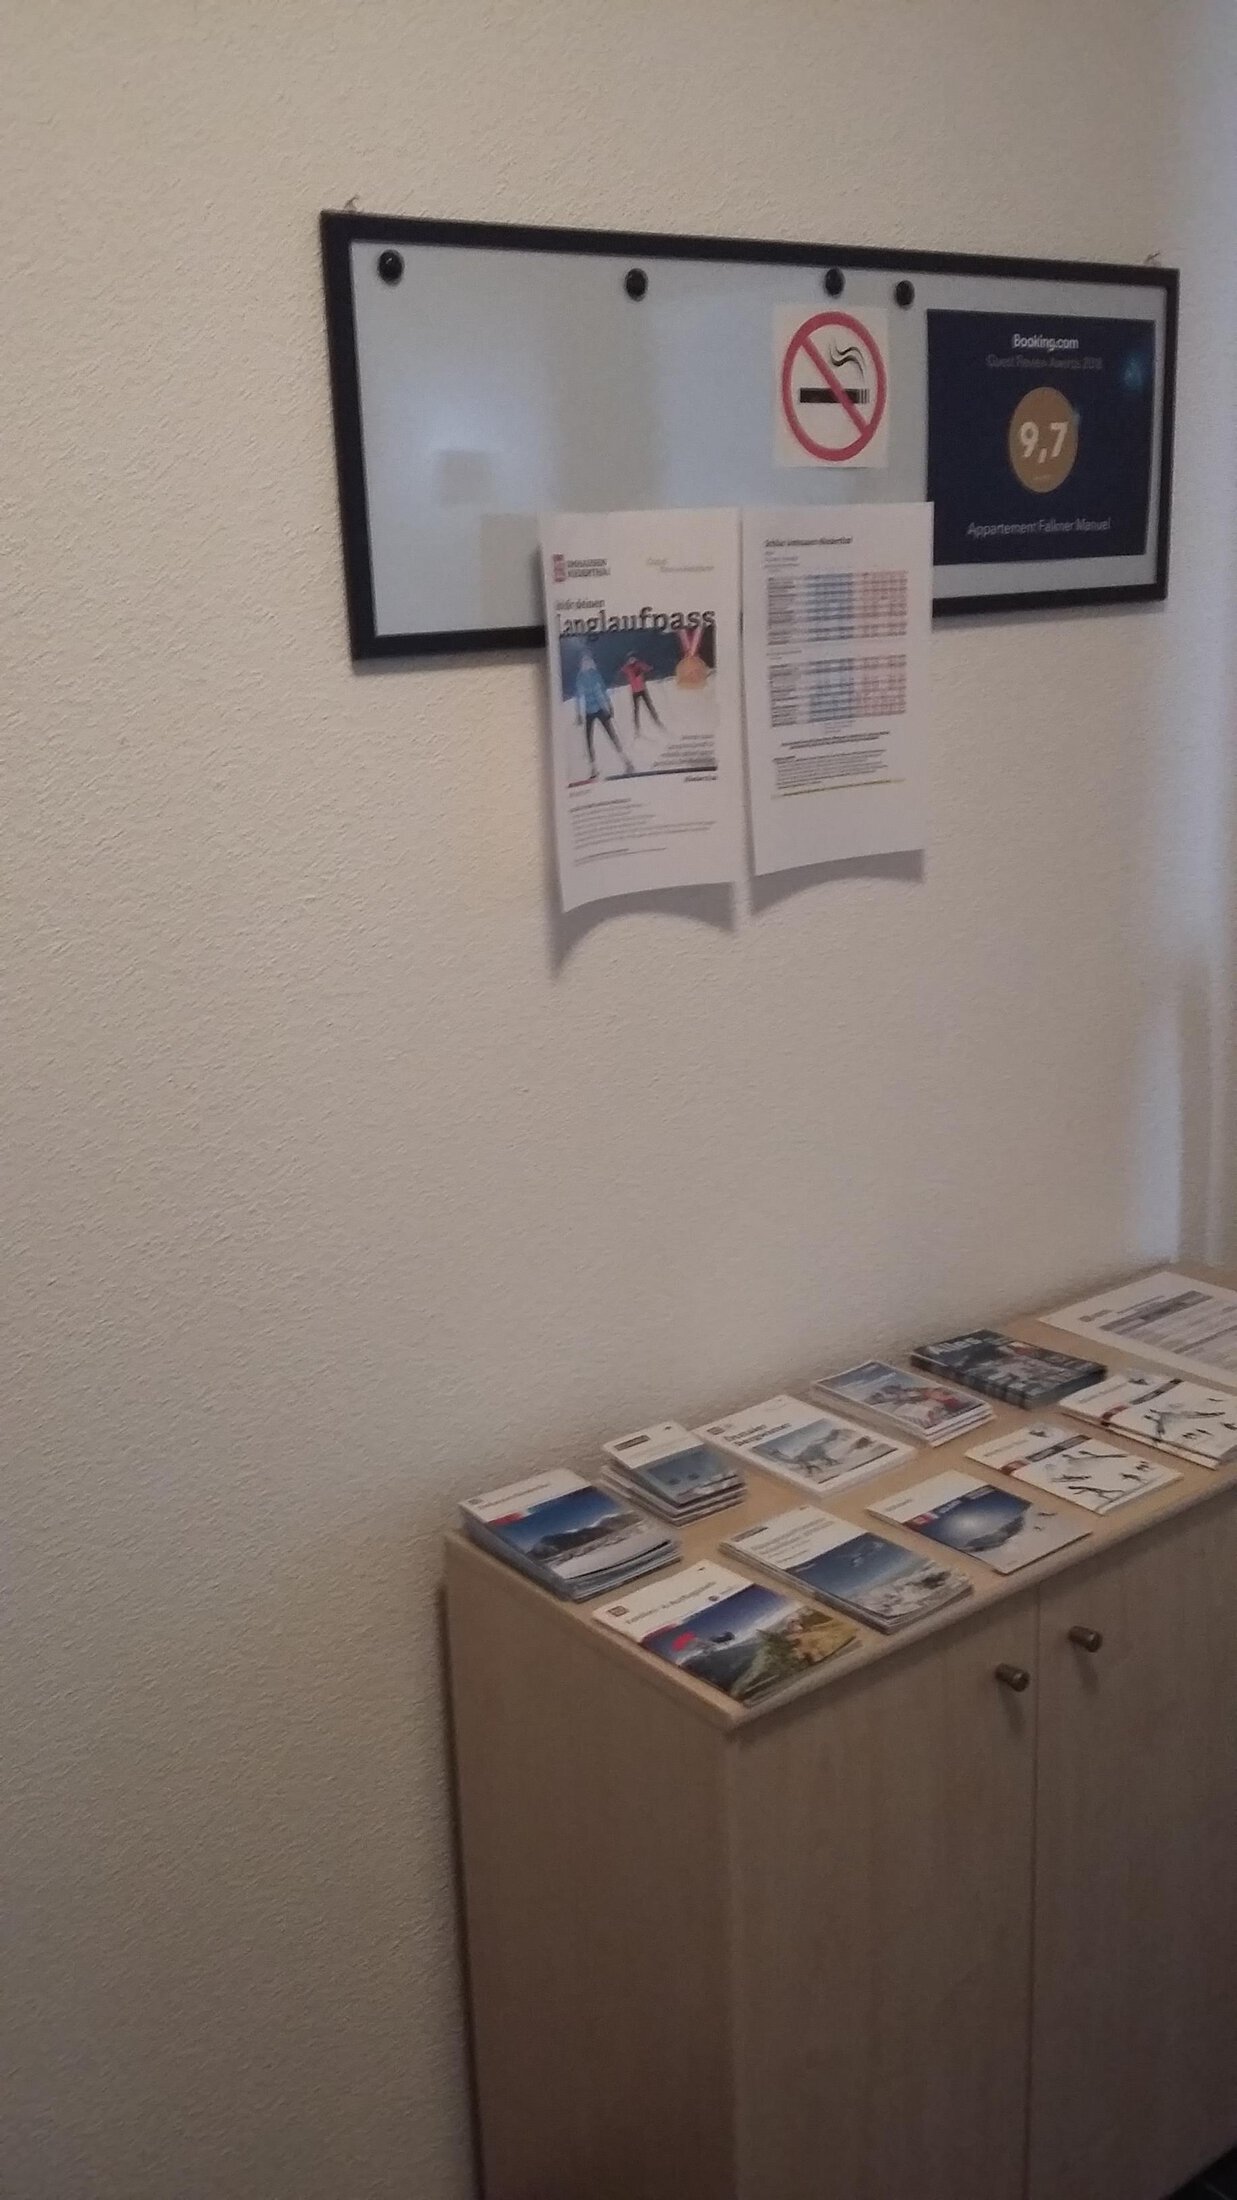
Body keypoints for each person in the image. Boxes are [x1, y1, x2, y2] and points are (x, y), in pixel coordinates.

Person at [574, 652, 634, 779]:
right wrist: (578, 713)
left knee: (612, 735)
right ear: (582, 664)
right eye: (584, 662)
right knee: (588, 740)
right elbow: (578, 696)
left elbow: (603, 691)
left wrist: (609, 705)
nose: (587, 664)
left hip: (600, 709)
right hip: (589, 711)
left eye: (588, 661)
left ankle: (627, 762)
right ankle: (593, 768)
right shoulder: (580, 677)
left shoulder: (595, 674)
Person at [619, 653, 664, 735]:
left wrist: (651, 668)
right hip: (635, 691)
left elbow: (647, 668)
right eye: (630, 659)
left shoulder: (639, 664)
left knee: (649, 706)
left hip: (641, 690)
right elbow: (622, 670)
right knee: (636, 709)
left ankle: (656, 721)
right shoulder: (628, 668)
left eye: (633, 658)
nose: (632, 660)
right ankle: (637, 726)